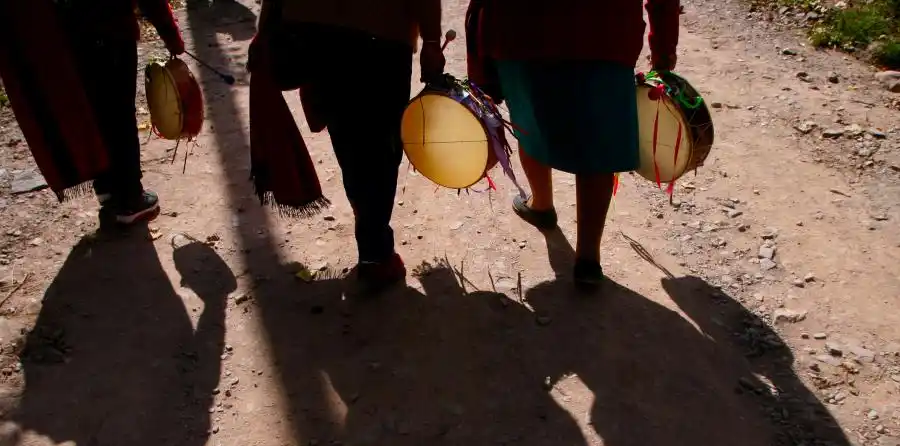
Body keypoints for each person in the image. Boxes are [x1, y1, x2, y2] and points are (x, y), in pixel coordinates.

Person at [466, 0, 680, 289]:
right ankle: (588, 258)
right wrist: (664, 46)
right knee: (598, 139)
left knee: (530, 118)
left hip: (522, 27)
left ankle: (541, 205)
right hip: (605, 30)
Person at [249, 0, 445, 293]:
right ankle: (375, 253)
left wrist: (266, 28)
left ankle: (370, 237)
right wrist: (430, 40)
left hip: (315, 31)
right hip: (379, 36)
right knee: (379, 147)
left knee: (349, 139)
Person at [0, 0, 185, 225]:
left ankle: (107, 188)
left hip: (67, 36)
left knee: (95, 113)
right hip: (110, 30)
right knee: (120, 116)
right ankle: (130, 200)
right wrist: (171, 35)